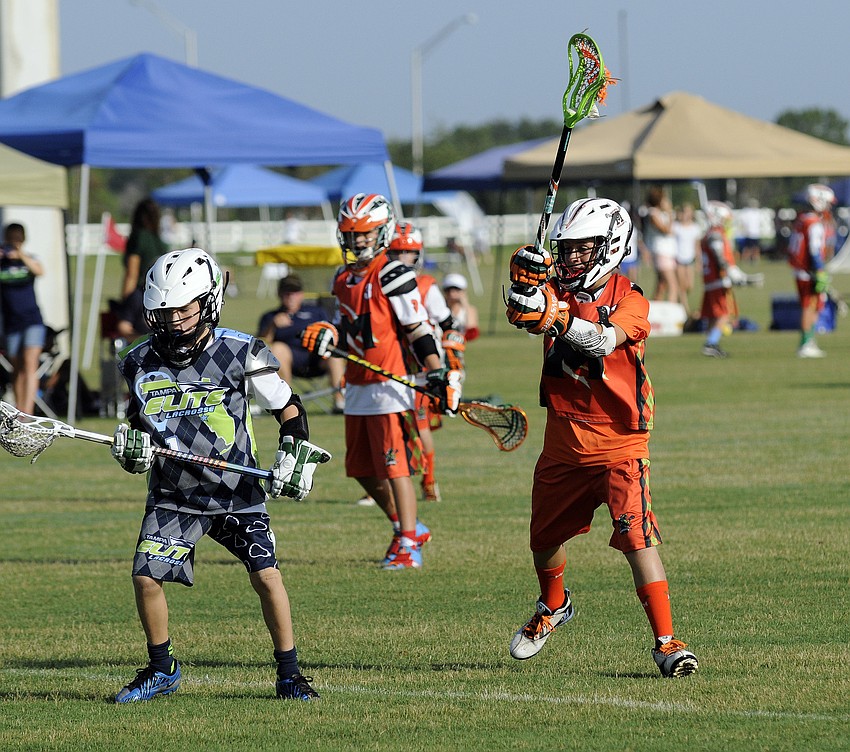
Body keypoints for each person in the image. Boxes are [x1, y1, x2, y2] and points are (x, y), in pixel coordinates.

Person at [111, 247, 328, 703]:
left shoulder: (241, 351)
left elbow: (288, 407)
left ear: (209, 301)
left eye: (183, 310)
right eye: (163, 312)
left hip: (236, 490)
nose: (172, 321)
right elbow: (137, 423)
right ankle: (161, 666)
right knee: (146, 577)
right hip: (175, 491)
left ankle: (290, 672)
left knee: (267, 576)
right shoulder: (137, 362)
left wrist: (292, 453)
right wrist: (130, 449)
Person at [504, 197, 699, 679]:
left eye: (582, 249)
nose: (569, 258)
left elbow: (600, 339)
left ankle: (667, 641)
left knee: (638, 539)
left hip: (620, 443)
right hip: (563, 443)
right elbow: (521, 310)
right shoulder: (556, 289)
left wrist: (553, 315)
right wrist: (522, 281)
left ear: (610, 247)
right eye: (565, 249)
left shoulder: (632, 299)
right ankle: (554, 605)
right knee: (543, 539)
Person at [301, 194, 460, 570]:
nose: (356, 242)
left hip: (391, 384)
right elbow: (344, 325)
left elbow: (418, 329)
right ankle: (406, 526)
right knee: (360, 468)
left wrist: (436, 369)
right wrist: (327, 334)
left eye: (364, 234)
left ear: (382, 233)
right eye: (350, 234)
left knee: (395, 465)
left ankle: (408, 543)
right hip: (357, 382)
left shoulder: (394, 273)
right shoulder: (341, 277)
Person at [388, 222, 466, 503]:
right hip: (390, 364)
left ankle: (429, 480)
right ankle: (383, 485)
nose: (401, 258)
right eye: (396, 252)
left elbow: (449, 325)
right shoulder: (383, 282)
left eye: (407, 252)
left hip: (420, 366)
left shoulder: (425, 286)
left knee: (420, 426)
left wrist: (452, 362)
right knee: (388, 426)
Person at [257, 273, 345, 413]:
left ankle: (340, 401)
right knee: (278, 348)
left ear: (302, 294)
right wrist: (272, 326)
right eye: (287, 293)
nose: (291, 296)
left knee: (333, 352)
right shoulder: (270, 316)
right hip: (290, 361)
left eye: (295, 292)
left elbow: (333, 334)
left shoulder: (316, 312)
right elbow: (260, 346)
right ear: (279, 294)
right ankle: (284, 401)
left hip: (317, 358)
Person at [0, 223, 46, 415]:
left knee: (30, 364)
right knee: (17, 368)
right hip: (11, 323)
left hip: (32, 321)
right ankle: (19, 411)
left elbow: (40, 271)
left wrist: (21, 256)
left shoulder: (28, 260)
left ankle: (27, 413)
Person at [788, 184, 835, 358]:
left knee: (814, 306)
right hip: (808, 271)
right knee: (810, 306)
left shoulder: (802, 219)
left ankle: (809, 340)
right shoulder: (814, 223)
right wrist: (820, 270)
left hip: (801, 270)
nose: (829, 206)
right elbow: (815, 250)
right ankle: (805, 343)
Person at [116, 198, 170, 339]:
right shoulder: (160, 241)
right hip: (160, 295)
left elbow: (132, 273)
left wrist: (125, 304)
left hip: (140, 295)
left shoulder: (138, 237)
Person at [699, 201, 737, 358]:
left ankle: (712, 342)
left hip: (710, 279)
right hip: (718, 279)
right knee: (724, 313)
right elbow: (720, 258)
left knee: (715, 315)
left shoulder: (709, 234)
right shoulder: (715, 234)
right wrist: (733, 272)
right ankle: (711, 343)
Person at [643, 185, 678, 303]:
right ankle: (671, 314)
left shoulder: (659, 213)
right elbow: (666, 230)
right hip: (662, 252)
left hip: (667, 252)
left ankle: (655, 309)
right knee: (673, 286)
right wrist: (669, 213)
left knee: (661, 286)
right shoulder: (653, 213)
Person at [672, 202, 702, 317]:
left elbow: (697, 245)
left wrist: (699, 261)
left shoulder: (695, 228)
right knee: (682, 286)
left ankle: (682, 303)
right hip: (678, 258)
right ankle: (685, 309)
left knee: (690, 285)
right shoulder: (676, 226)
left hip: (690, 260)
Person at [441, 273, 479, 342]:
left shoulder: (470, 310)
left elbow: (471, 333)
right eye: (448, 290)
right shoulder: (440, 310)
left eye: (456, 289)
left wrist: (465, 305)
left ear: (464, 291)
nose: (452, 293)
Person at [737, 199, 763, 264]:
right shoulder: (747, 212)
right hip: (749, 233)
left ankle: (755, 258)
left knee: (755, 247)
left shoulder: (758, 213)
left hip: (756, 233)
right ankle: (746, 259)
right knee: (748, 247)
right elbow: (743, 222)